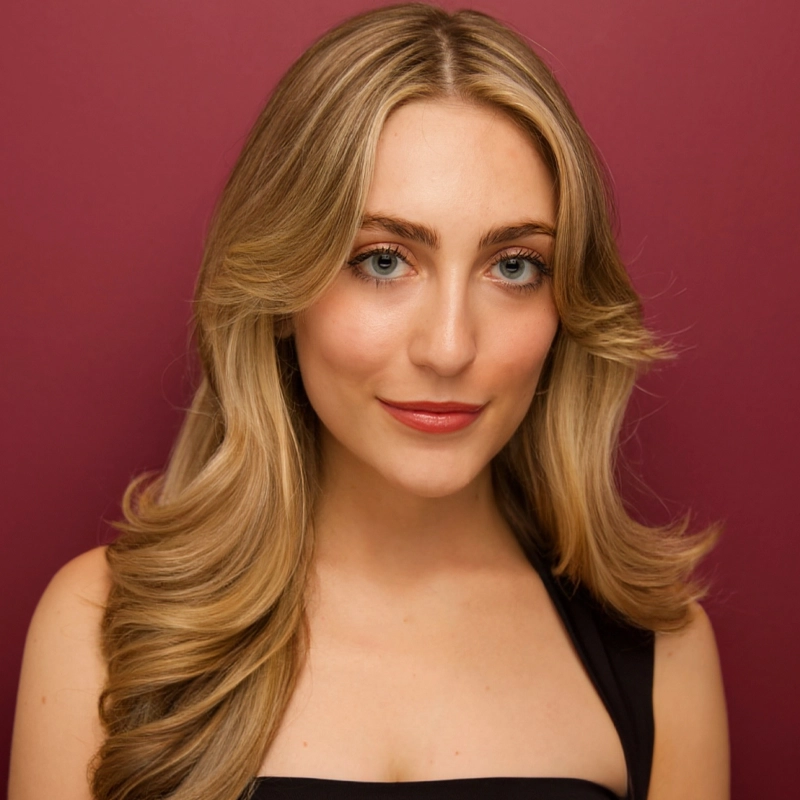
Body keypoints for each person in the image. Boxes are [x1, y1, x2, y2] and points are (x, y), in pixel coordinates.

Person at [8, 4, 729, 800]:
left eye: (516, 267)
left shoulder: (659, 655)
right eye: (384, 260)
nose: (450, 347)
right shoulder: (102, 626)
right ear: (284, 290)